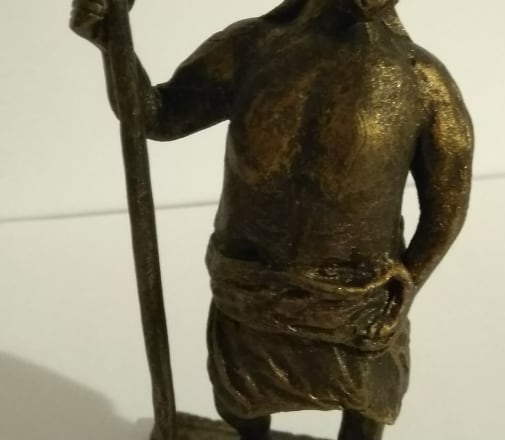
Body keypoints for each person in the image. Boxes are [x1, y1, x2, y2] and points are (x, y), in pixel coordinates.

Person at [70, 0, 473, 439]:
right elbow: (156, 115)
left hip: (359, 298)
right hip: (250, 285)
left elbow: (447, 205)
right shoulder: (253, 47)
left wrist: (407, 283)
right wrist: (112, 44)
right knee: (241, 404)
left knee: (365, 407)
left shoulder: (422, 81)